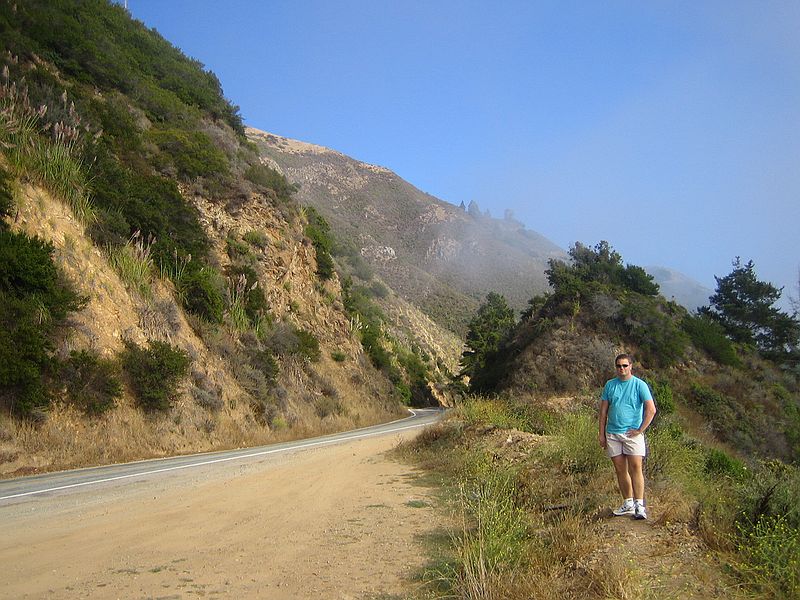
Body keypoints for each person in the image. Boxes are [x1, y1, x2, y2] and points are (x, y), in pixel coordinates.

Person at [598, 353, 656, 520]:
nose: (622, 369)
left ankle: (639, 505)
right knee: (620, 469)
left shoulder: (640, 385)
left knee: (636, 467)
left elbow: (651, 409)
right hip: (613, 433)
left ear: (631, 366)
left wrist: (640, 430)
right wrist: (601, 434)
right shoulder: (610, 385)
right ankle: (628, 503)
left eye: (625, 365)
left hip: (632, 434)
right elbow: (603, 412)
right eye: (619, 366)